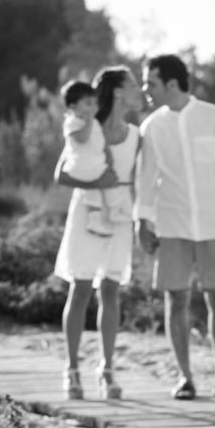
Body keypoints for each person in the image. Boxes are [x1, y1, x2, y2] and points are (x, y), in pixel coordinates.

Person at [135, 54, 215, 401]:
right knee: (176, 298)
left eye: (150, 83)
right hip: (171, 224)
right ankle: (184, 378)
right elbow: (146, 178)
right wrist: (143, 221)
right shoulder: (151, 126)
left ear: (171, 83)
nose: (145, 90)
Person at [54, 66, 143, 400]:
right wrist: (95, 182)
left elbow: (141, 178)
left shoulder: (136, 134)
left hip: (119, 211)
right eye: (133, 84)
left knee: (111, 288)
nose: (138, 90)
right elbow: (61, 174)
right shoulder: (87, 127)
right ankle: (72, 369)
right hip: (87, 207)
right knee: (79, 288)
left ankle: (107, 369)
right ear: (118, 91)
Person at [59, 80, 115, 237]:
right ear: (72, 106)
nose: (93, 108)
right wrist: (89, 122)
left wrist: (108, 156)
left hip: (94, 163)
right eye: (88, 103)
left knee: (97, 189)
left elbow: (101, 142)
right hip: (82, 165)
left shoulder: (94, 122)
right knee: (96, 187)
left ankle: (98, 217)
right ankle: (95, 220)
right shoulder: (72, 123)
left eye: (94, 103)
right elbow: (82, 139)